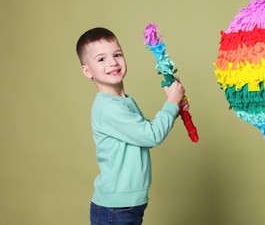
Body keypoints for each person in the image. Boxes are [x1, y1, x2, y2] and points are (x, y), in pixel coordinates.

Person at [76, 27, 187, 225]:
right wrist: (171, 103)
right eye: (101, 59)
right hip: (115, 209)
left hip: (129, 205)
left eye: (117, 54)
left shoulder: (125, 101)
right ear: (87, 71)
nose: (113, 62)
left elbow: (144, 134)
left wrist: (175, 106)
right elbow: (152, 135)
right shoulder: (108, 109)